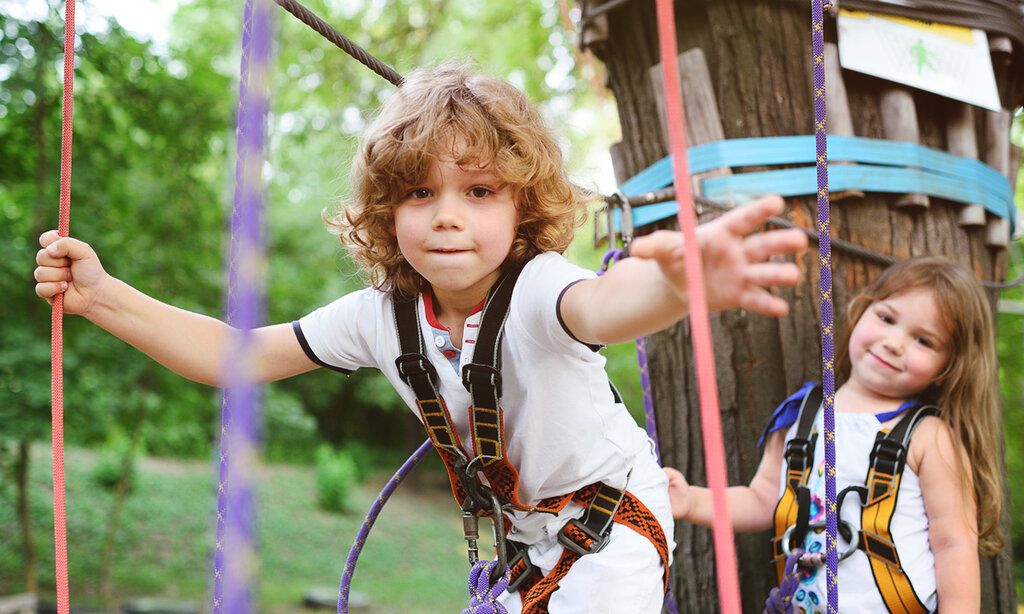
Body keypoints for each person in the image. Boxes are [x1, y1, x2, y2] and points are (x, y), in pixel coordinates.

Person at [34, 61, 808, 613]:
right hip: (527, 544)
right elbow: (235, 357)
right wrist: (103, 298)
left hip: (615, 523)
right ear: (387, 211)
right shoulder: (380, 316)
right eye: (418, 192)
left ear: (521, 208)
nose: (447, 216)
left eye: (479, 191)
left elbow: (608, 304)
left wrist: (679, 284)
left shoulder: (539, 289)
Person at [665, 256, 1004, 613]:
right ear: (860, 311)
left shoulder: (928, 437)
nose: (894, 343)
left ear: (948, 366)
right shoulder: (801, 416)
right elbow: (763, 498)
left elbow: (953, 542)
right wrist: (693, 501)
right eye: (886, 318)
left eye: (923, 340)